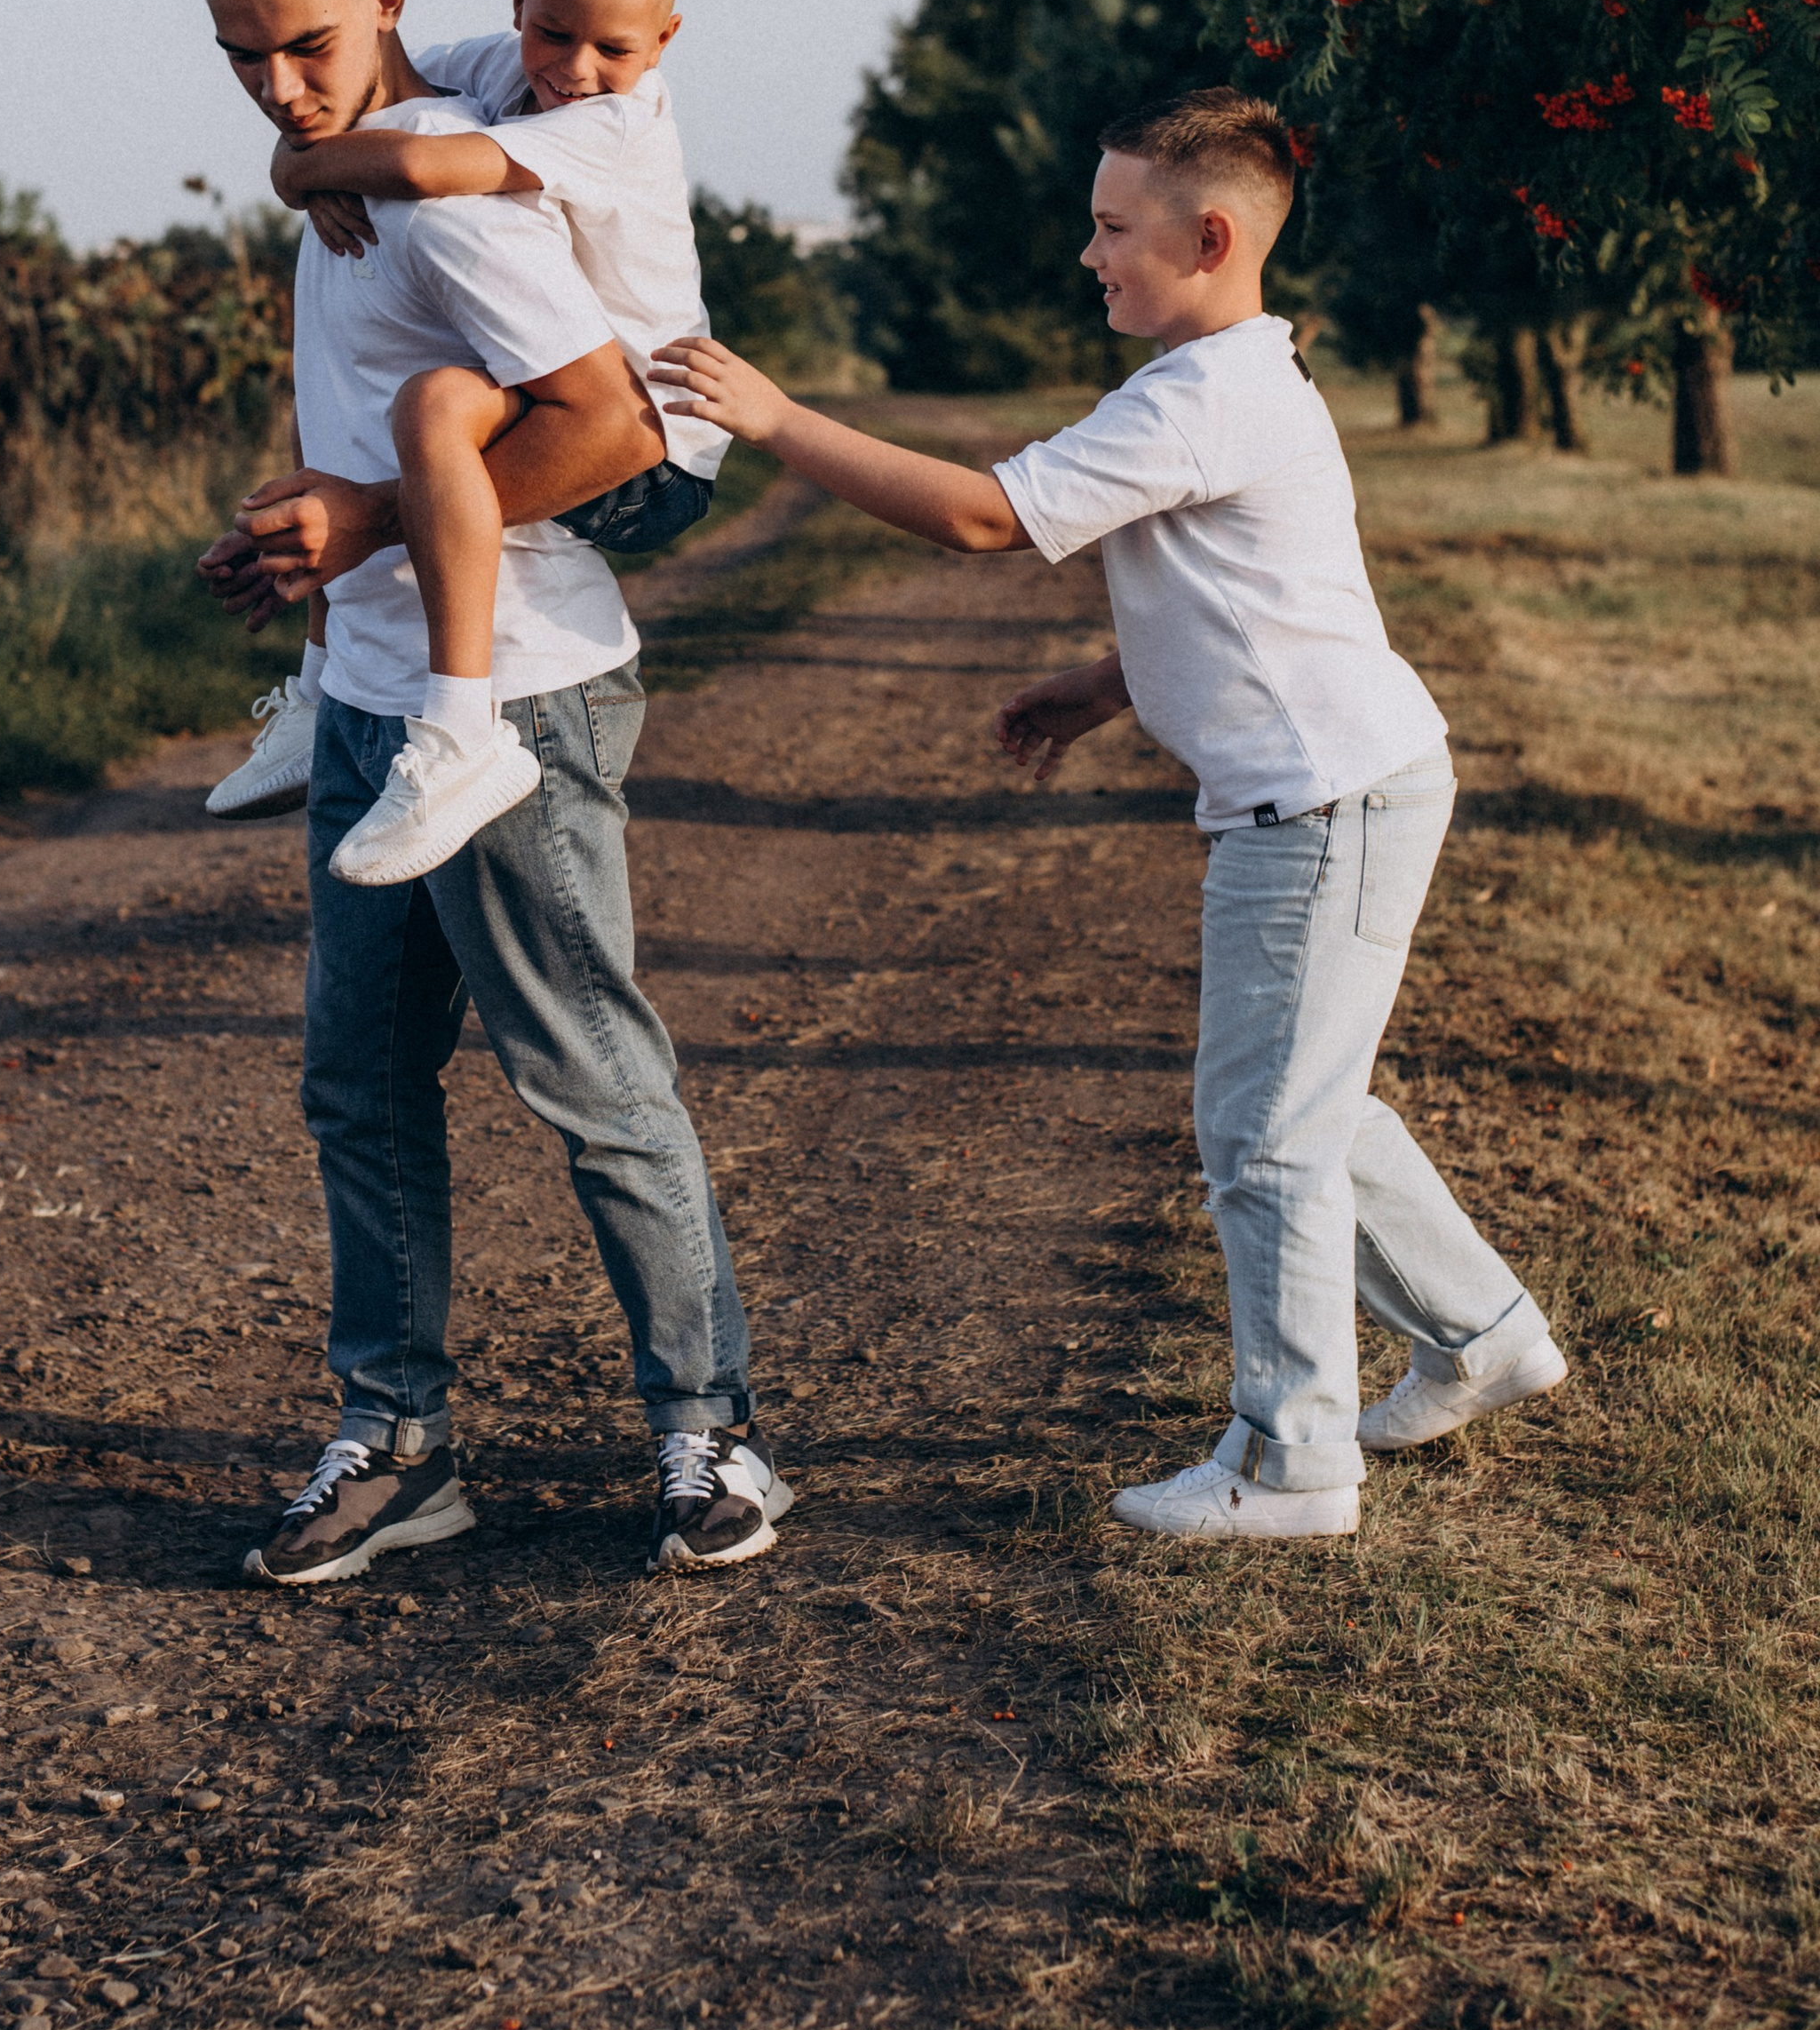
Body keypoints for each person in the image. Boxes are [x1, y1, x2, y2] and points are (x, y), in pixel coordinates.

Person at [653, 86, 1563, 1542]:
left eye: (1110, 225)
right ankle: (1480, 1333)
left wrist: (774, 418)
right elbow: (1248, 605)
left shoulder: (1207, 396)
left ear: (1208, 236)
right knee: (1296, 1105)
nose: (1089, 254)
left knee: (1260, 1135)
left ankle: (1294, 1463)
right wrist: (1099, 683)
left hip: (1321, 802)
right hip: (1344, 781)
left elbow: (978, 517)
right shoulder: (1232, 379)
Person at [195, 0, 791, 1586]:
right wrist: (308, 538)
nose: (282, 91)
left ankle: (711, 1433)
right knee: (360, 1088)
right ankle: (395, 1443)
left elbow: (604, 428)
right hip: (380, 691)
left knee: (585, 1073)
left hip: (520, 695)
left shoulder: (461, 188)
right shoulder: (353, 154)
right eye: (246, 61)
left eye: (306, 48)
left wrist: (367, 516)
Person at [263, 0, 728, 885]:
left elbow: (430, 169)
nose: (575, 69)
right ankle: (316, 684)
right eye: (552, 31)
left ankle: (464, 729)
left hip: (663, 439)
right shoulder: (499, 65)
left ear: (666, 37)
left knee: (431, 406)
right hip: (577, 388)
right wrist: (307, 140)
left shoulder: (618, 123)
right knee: (349, 402)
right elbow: (414, 86)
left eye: (616, 47)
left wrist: (295, 171)